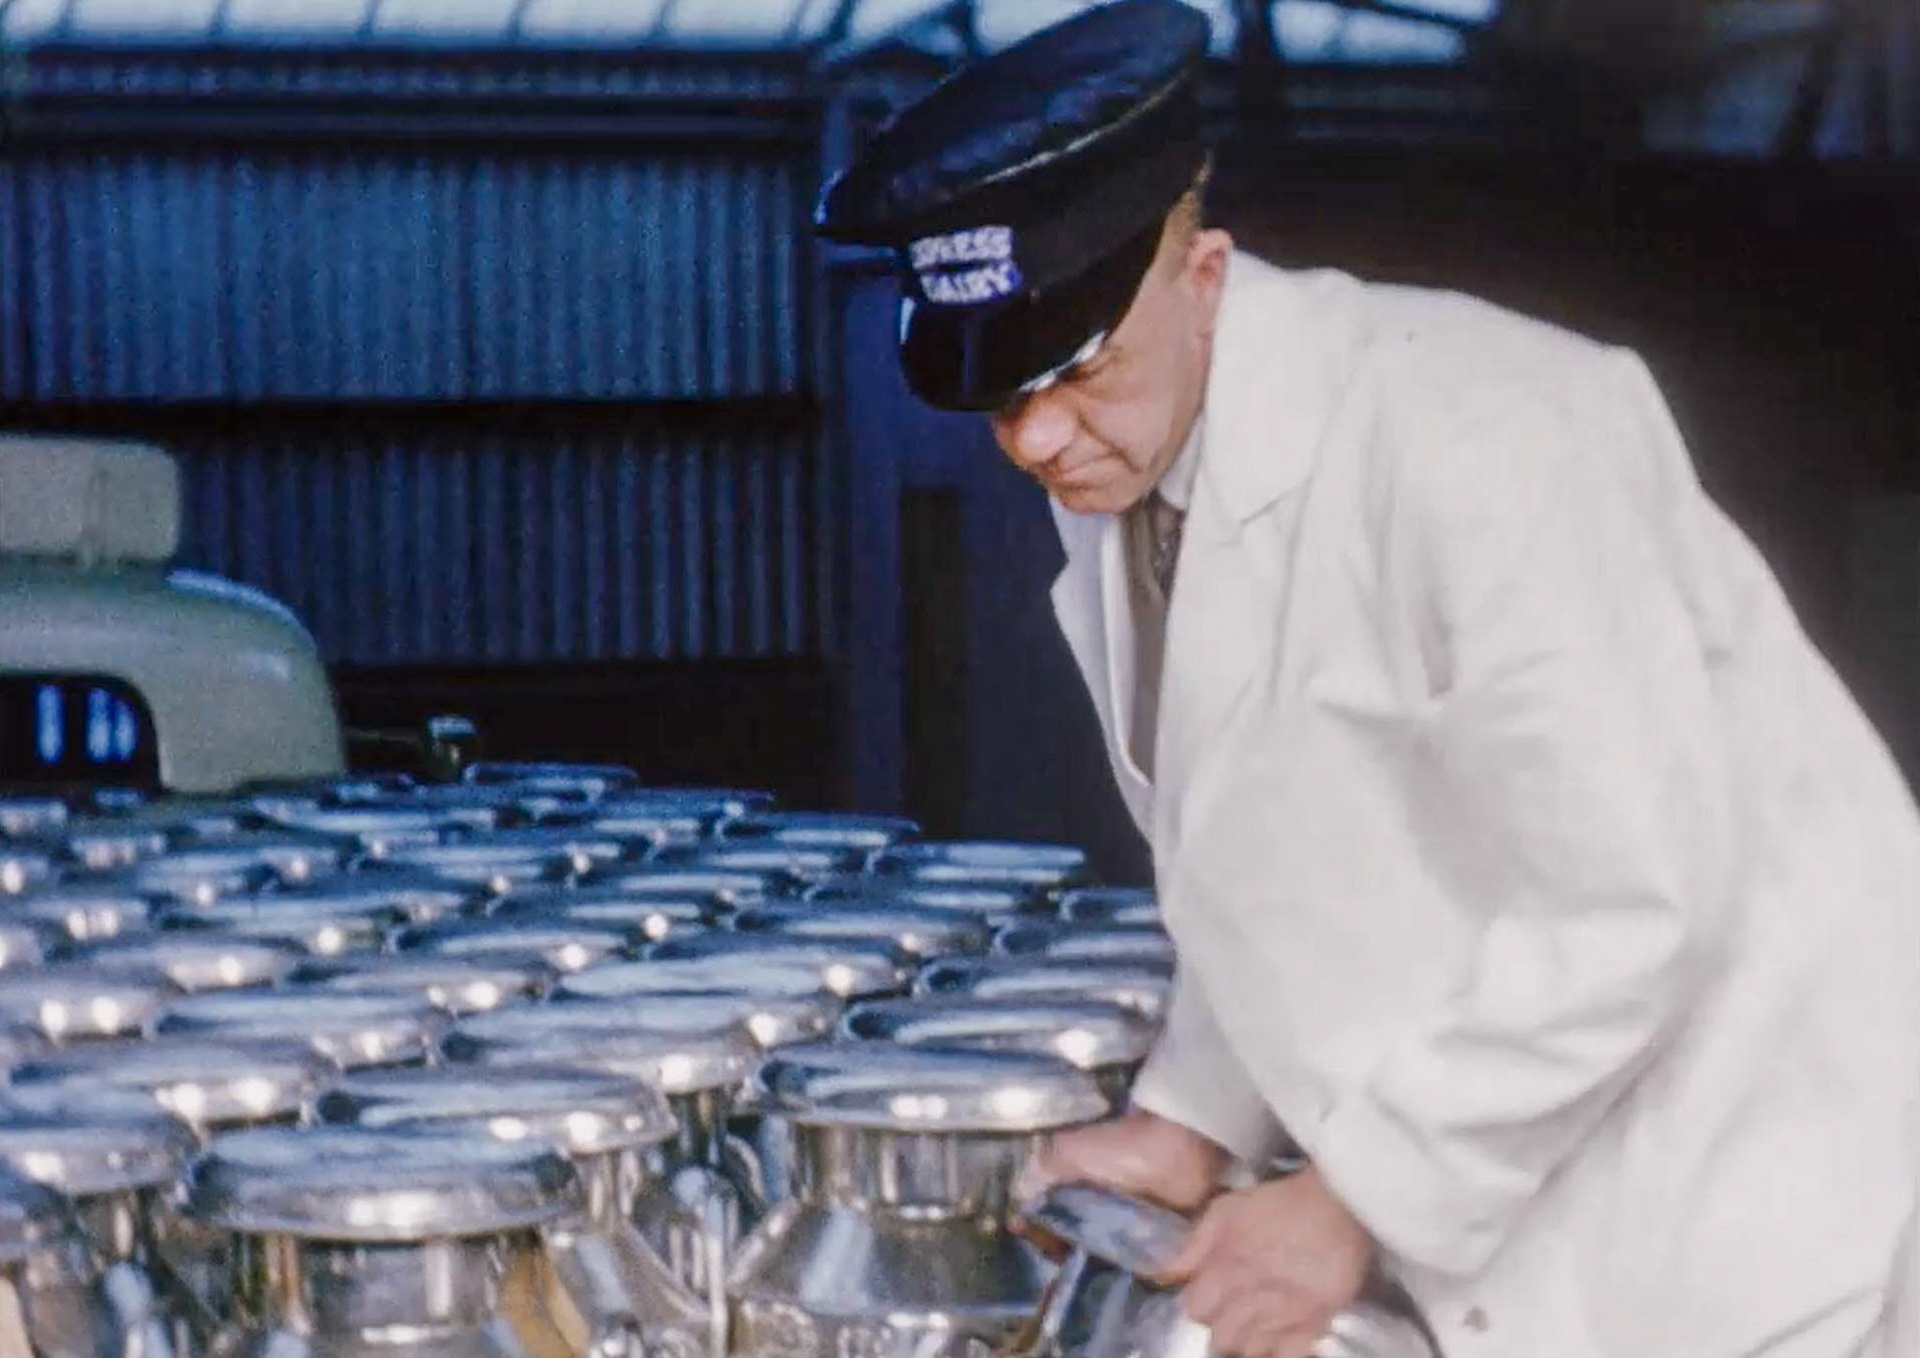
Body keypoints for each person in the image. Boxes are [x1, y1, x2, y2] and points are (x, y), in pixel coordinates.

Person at [812, 2, 1920, 1355]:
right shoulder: (1140, 461)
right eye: (998, 398)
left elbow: (1638, 897)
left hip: (1752, 1178)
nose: (1037, 437)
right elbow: (1267, 853)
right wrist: (1191, 1117)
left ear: (1205, 273)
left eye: (1078, 367)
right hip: (1559, 1177)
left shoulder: (1486, 436)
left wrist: (1351, 1200)